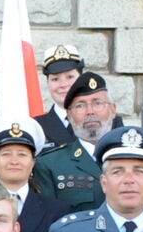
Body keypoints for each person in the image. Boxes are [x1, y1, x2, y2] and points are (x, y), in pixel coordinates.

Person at [34, 71, 121, 212]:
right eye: (80, 105)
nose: (90, 111)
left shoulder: (138, 156)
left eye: (97, 103)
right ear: (69, 114)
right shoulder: (49, 164)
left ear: (113, 109)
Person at [34, 44, 84, 147]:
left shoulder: (108, 121)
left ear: (82, 79)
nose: (63, 85)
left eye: (70, 77)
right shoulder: (35, 126)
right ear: (48, 83)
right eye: (55, 79)